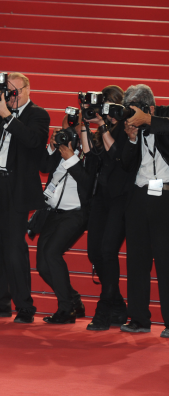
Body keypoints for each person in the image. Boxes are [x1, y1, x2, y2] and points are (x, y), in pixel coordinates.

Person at [0, 72, 50, 323]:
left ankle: (25, 306)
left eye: (14, 92)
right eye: (8, 92)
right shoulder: (0, 110)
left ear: (28, 89)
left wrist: (6, 114)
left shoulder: (38, 114)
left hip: (16, 188)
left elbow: (33, 141)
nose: (11, 97)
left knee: (15, 249)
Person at [37, 115, 97, 324]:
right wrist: (53, 146)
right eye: (67, 128)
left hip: (76, 213)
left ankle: (66, 310)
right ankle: (72, 299)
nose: (70, 131)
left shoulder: (92, 150)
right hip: (53, 213)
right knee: (43, 265)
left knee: (52, 253)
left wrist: (71, 157)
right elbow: (44, 166)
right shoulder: (61, 145)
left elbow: (89, 183)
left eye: (76, 127)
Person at [120, 84, 169, 338]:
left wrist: (149, 120)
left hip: (165, 196)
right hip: (139, 196)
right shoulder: (131, 127)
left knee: (165, 261)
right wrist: (130, 138)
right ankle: (139, 318)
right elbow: (125, 165)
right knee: (136, 261)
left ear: (149, 107)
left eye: (135, 111)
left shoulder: (164, 115)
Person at [82, 85, 130, 331]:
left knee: (108, 251)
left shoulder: (126, 126)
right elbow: (91, 155)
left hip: (122, 197)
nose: (106, 111)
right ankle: (118, 304)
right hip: (100, 197)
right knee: (94, 253)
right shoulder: (104, 128)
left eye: (110, 106)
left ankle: (103, 309)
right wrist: (83, 124)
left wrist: (102, 124)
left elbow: (117, 156)